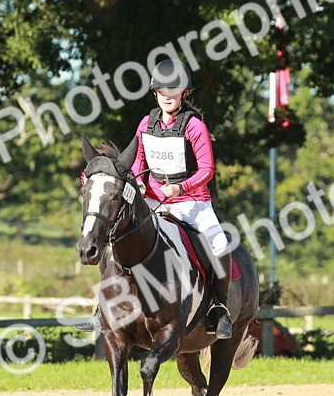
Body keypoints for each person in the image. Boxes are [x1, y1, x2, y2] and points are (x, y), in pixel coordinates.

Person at [76, 59, 233, 339]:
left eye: (173, 91)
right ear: (155, 93)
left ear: (184, 93)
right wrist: (130, 182)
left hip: (191, 202)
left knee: (219, 243)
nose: (167, 96)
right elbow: (137, 162)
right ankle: (102, 310)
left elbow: (207, 169)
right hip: (151, 202)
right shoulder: (146, 123)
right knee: (113, 240)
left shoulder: (194, 126)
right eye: (162, 91)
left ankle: (219, 307)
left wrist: (181, 187)